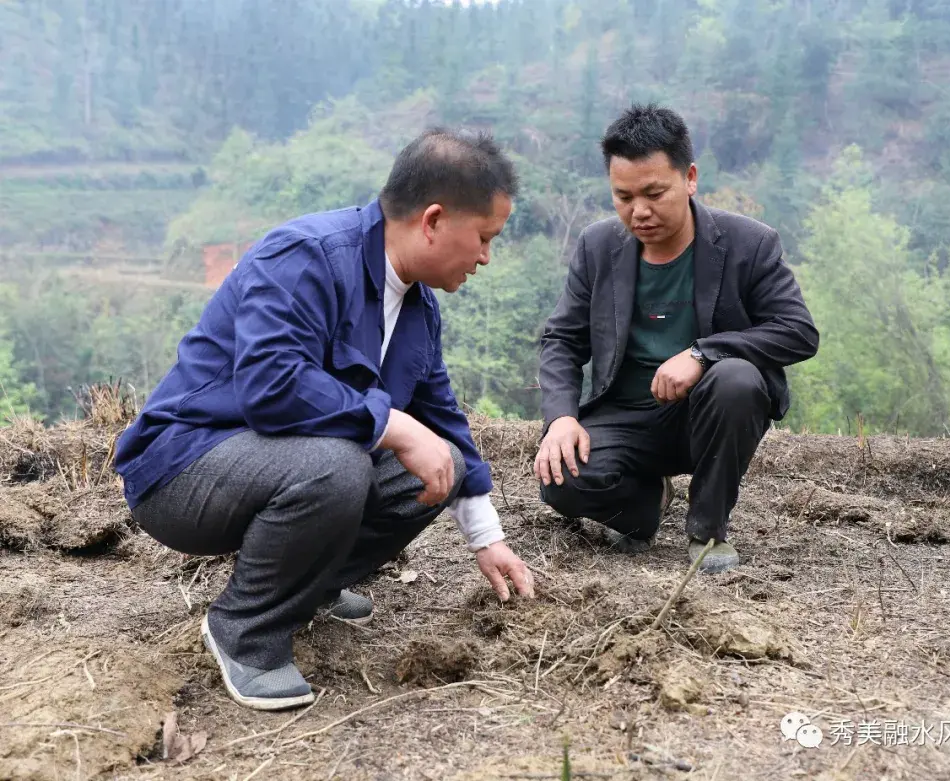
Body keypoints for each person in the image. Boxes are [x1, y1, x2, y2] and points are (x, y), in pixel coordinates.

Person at [115, 128, 535, 711]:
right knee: (338, 464)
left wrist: (486, 537)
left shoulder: (417, 307)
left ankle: (309, 585)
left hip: (274, 464)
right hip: (185, 470)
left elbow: (440, 416)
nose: (487, 257)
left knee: (439, 466)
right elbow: (271, 386)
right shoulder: (304, 257)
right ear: (433, 220)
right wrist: (396, 426)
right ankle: (246, 631)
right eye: (484, 238)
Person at [534, 104, 818, 574]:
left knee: (737, 380)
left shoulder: (750, 244)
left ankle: (707, 529)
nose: (639, 211)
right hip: (626, 416)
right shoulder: (598, 246)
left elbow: (798, 332)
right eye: (623, 197)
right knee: (560, 480)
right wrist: (561, 418)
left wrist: (703, 353)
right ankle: (645, 506)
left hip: (707, 416)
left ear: (689, 178)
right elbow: (562, 340)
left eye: (654, 193)